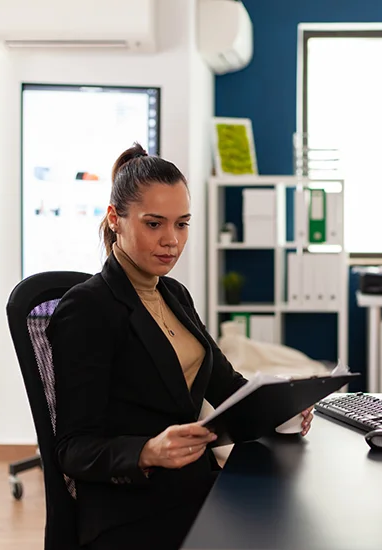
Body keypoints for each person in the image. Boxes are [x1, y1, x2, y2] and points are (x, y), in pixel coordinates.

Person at [47, 143, 314, 550]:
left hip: (192, 486)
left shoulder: (174, 294)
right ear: (115, 219)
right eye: (154, 224)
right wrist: (147, 451)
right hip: (133, 507)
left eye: (182, 224)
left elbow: (227, 385)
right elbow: (73, 448)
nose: (171, 240)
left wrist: (280, 406)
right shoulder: (86, 308)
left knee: (299, 510)